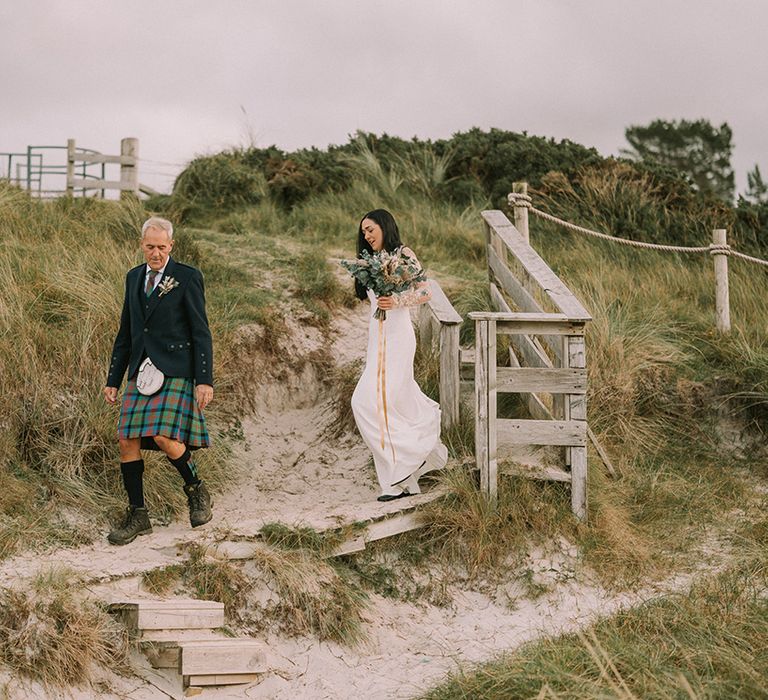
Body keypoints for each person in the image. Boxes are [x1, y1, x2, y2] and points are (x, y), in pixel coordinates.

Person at [103, 217, 214, 545]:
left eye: (161, 247)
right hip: (141, 371)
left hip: (176, 367)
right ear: (142, 244)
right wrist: (114, 377)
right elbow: (127, 331)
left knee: (165, 438)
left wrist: (204, 379)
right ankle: (138, 514)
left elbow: (201, 331)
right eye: (150, 247)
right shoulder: (133, 277)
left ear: (171, 246)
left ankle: (196, 490)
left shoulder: (188, 277)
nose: (155, 253)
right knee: (127, 441)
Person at [350, 209, 448, 502]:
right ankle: (398, 481)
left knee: (367, 401)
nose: (367, 236)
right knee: (385, 403)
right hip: (376, 337)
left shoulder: (404, 254)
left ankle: (405, 467)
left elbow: (425, 292)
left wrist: (396, 300)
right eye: (363, 232)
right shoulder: (367, 261)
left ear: (384, 225)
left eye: (370, 229)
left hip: (398, 336)